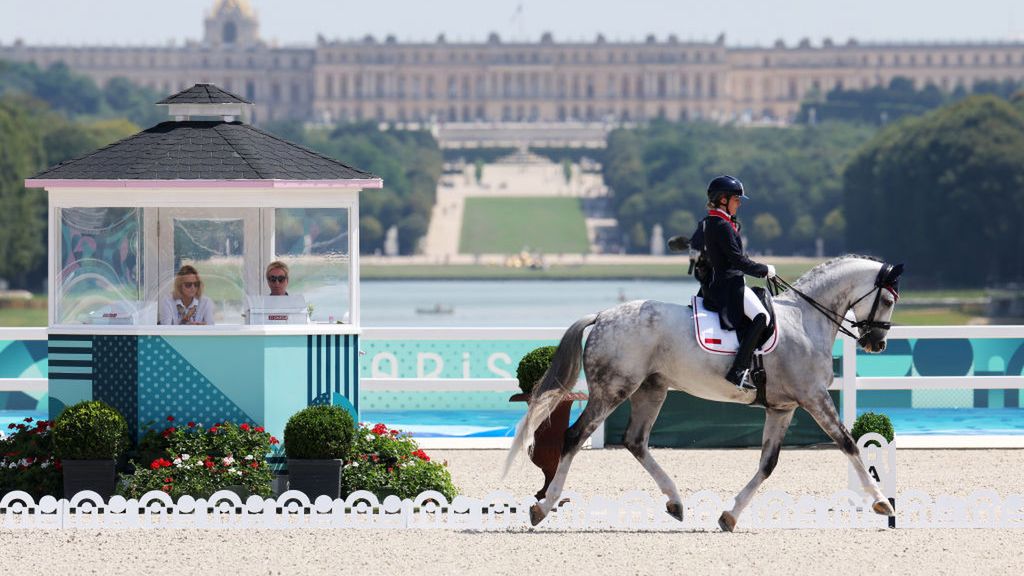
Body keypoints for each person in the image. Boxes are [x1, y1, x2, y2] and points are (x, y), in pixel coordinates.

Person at [689, 175, 775, 390]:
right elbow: (737, 260)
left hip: (716, 283)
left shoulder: (710, 222)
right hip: (728, 285)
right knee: (762, 317)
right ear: (723, 200)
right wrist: (763, 270)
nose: (739, 204)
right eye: (736, 199)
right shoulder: (722, 225)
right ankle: (738, 371)